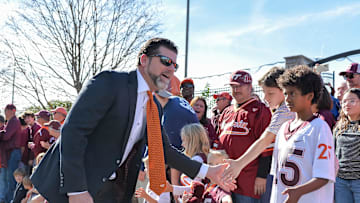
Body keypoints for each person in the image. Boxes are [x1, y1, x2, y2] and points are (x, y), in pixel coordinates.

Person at [30, 38, 235, 203]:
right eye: (165, 61)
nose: (171, 69)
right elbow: (73, 133)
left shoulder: (153, 106)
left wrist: (209, 171)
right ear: (144, 60)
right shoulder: (109, 83)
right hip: (75, 188)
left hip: (111, 192)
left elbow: (163, 150)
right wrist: (76, 189)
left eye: (175, 65)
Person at [222, 67, 295, 203]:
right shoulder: (283, 110)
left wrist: (239, 164)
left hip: (292, 179)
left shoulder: (283, 112)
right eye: (264, 92)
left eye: (270, 93)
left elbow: (264, 141)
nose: (265, 98)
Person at [268, 65, 335, 203]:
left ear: (310, 96)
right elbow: (276, 176)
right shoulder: (283, 128)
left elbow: (324, 175)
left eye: (293, 93)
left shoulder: (319, 127)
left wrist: (298, 192)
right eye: (286, 93)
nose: (287, 98)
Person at [217, 70, 272, 202]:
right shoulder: (226, 112)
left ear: (249, 87)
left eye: (239, 86)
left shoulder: (260, 110)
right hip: (226, 178)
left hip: (249, 180)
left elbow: (268, 146)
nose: (236, 90)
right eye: (233, 86)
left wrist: (262, 176)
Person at [333, 88, 360, 203]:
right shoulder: (339, 127)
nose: (346, 104)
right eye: (344, 101)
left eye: (352, 101)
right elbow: (334, 153)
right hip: (341, 182)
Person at [0, 104, 22, 203]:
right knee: (6, 178)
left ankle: (10, 200)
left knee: (10, 179)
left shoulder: (14, 121)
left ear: (13, 111)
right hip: (9, 153)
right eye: (5, 110)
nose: (5, 113)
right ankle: (5, 199)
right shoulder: (10, 121)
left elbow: (6, 137)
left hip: (13, 152)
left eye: (7, 110)